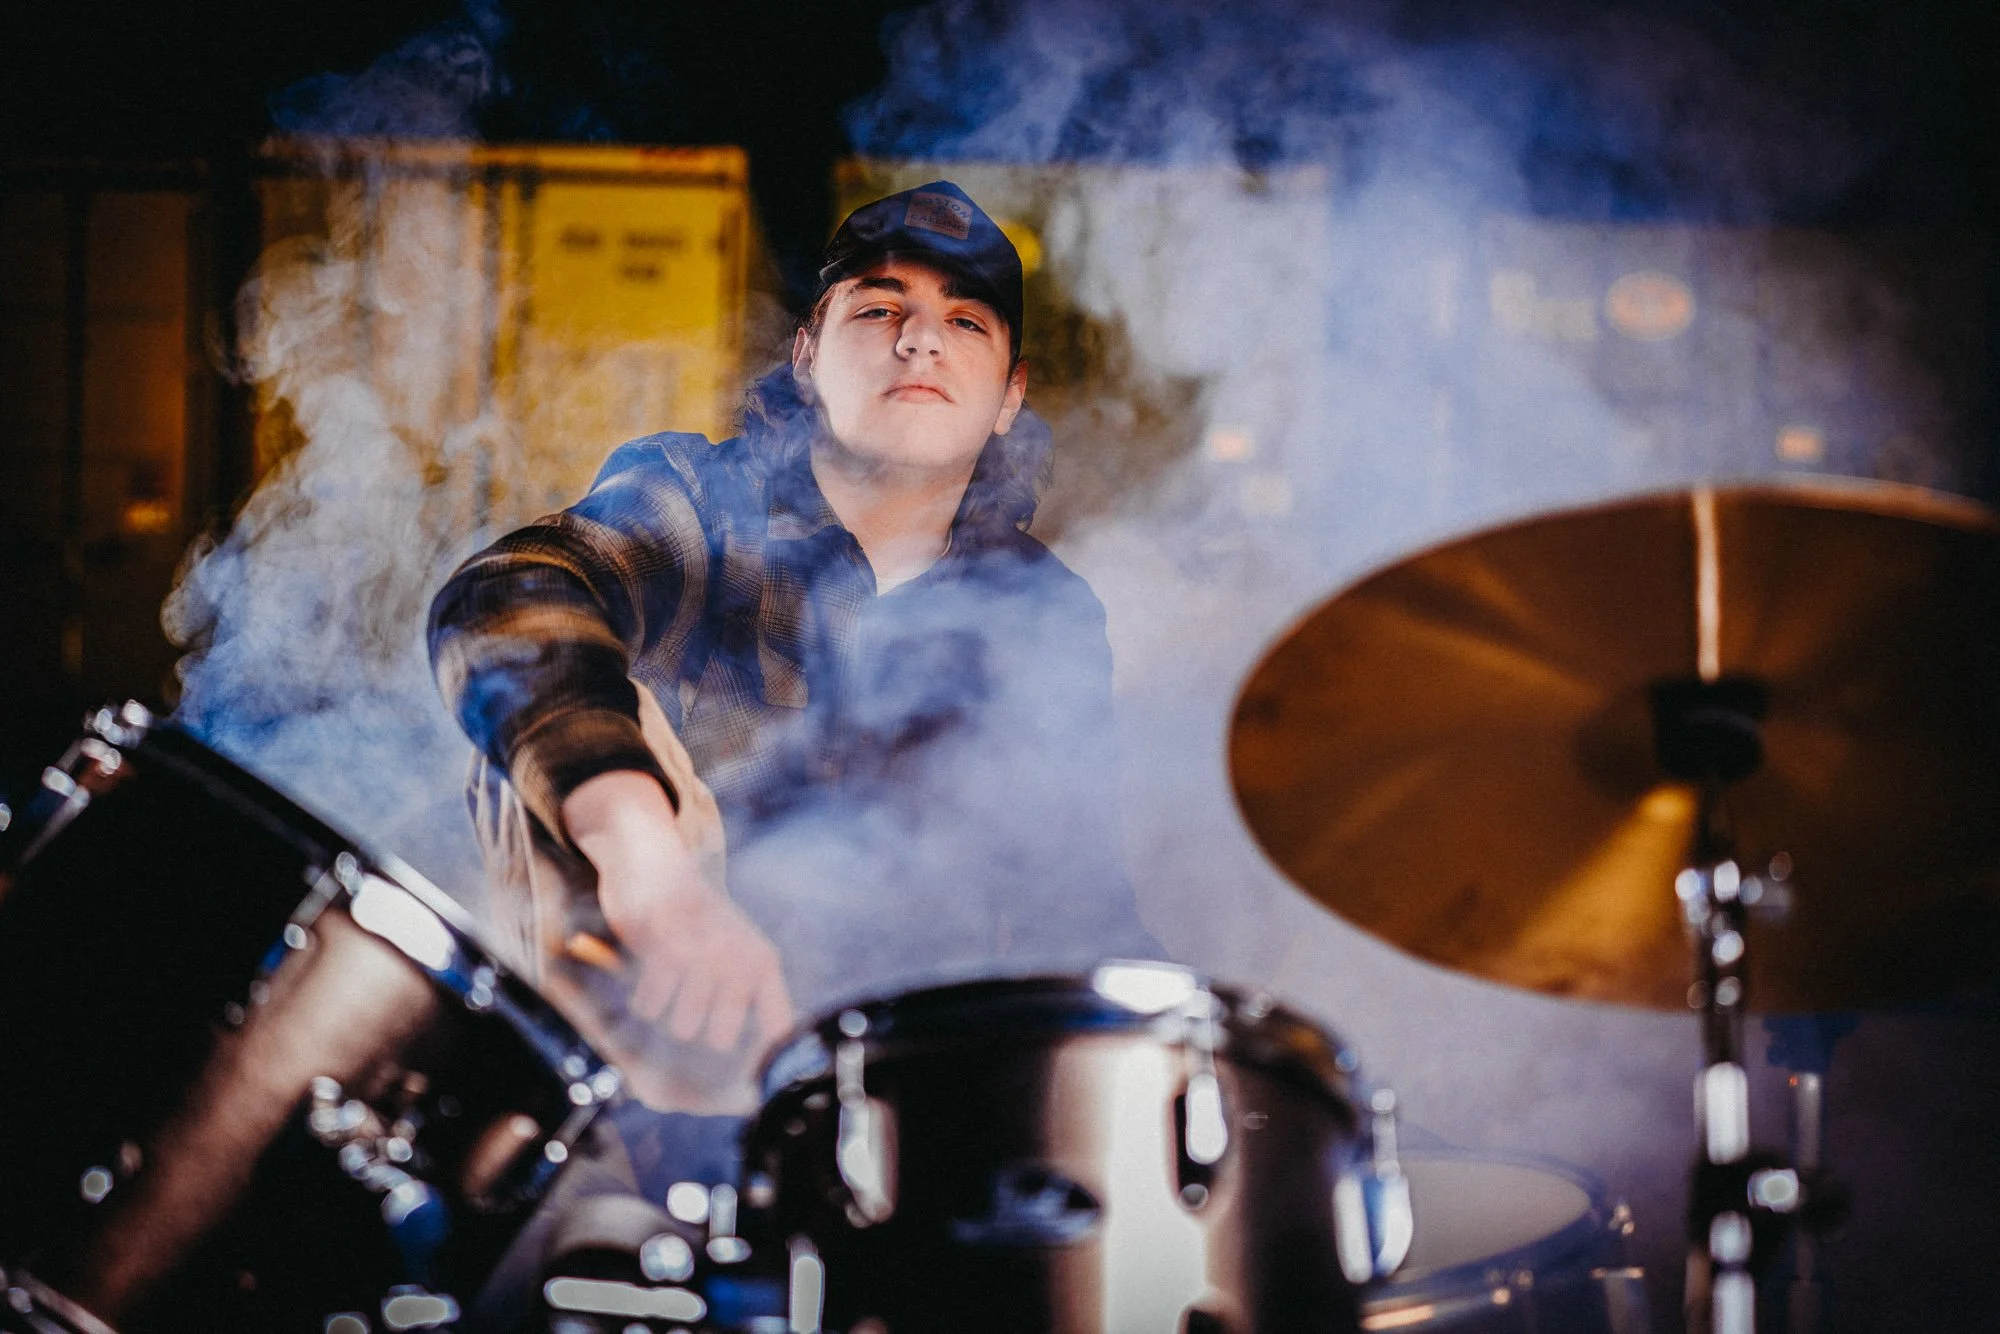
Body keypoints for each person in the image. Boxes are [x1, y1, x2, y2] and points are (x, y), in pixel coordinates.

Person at [428, 181, 1157, 1194]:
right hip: (653, 1106)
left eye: (964, 320)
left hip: (911, 1125)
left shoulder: (1041, 605)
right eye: (876, 308)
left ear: (1009, 394)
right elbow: (507, 599)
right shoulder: (701, 504)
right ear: (807, 358)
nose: (918, 340)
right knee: (575, 731)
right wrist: (647, 864)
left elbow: (1078, 900)